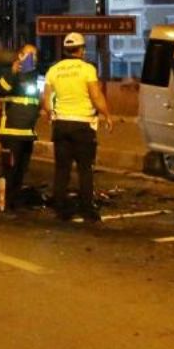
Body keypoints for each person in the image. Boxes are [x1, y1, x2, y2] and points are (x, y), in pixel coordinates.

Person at [42, 32, 113, 222]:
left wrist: (51, 114)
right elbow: (96, 95)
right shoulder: (87, 69)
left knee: (62, 169)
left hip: (61, 124)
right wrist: (106, 114)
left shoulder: (54, 70)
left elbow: (46, 100)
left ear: (65, 50)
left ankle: (60, 208)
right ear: (81, 49)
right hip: (82, 125)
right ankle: (87, 209)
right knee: (85, 169)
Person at [0, 43, 41, 211]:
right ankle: (5, 203)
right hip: (11, 133)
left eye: (34, 55)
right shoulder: (10, 74)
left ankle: (15, 201)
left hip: (27, 133)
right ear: (20, 56)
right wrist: (13, 71)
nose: (31, 58)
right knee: (10, 171)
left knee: (21, 171)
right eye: (28, 54)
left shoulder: (35, 77)